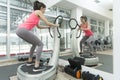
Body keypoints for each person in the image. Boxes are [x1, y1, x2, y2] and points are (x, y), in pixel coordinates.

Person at [16, 1, 59, 72]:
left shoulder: (36, 15)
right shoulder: (38, 11)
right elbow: (48, 22)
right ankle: (36, 66)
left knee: (34, 44)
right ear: (41, 8)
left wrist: (47, 27)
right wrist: (56, 25)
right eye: (44, 9)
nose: (44, 11)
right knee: (40, 44)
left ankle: (29, 62)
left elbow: (39, 27)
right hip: (23, 30)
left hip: (19, 30)